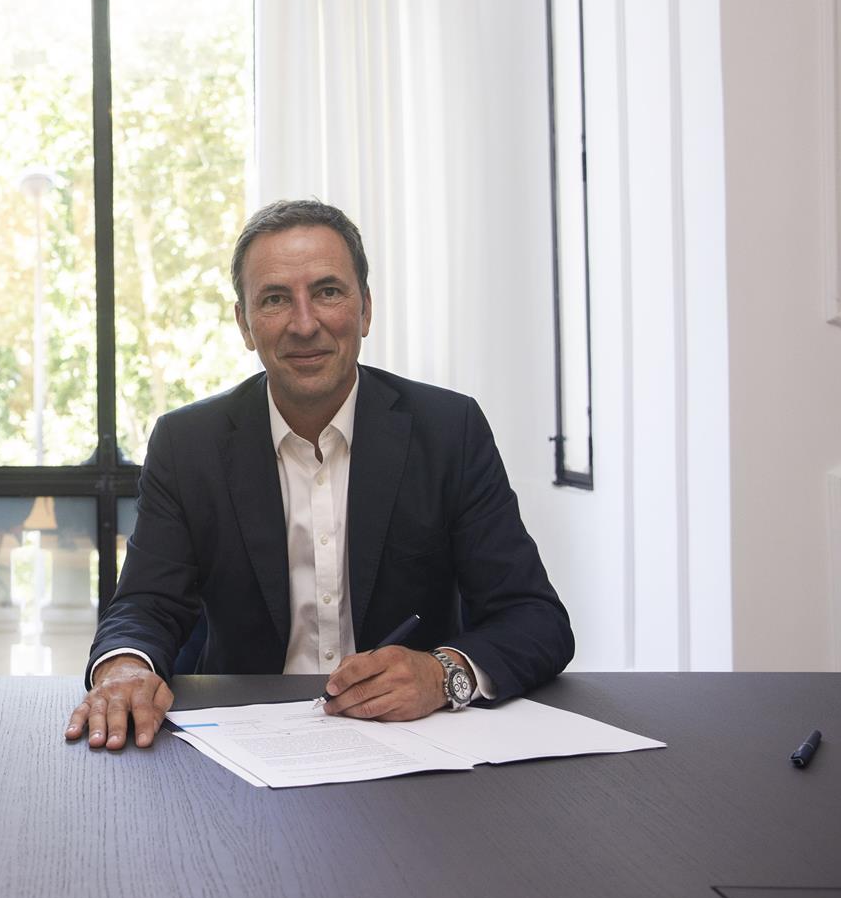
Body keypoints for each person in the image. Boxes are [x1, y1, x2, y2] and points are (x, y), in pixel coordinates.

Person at [65, 200, 573, 750]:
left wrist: (441, 673)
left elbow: (534, 619)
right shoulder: (188, 444)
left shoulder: (449, 431)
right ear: (245, 324)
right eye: (275, 299)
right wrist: (123, 669)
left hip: (414, 743)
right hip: (245, 739)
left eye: (328, 292)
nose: (305, 324)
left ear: (365, 310)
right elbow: (144, 605)